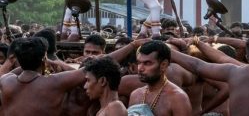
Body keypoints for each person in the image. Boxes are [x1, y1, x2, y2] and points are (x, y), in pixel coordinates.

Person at [0, 36, 135, 116]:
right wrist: (133, 45)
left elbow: (15, 71)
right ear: (44, 60)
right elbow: (99, 64)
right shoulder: (53, 82)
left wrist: (29, 60)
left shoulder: (6, 81)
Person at [127, 40, 192, 115]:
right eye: (139, 63)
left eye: (147, 63)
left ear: (163, 65)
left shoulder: (177, 98)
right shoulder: (135, 95)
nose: (140, 68)